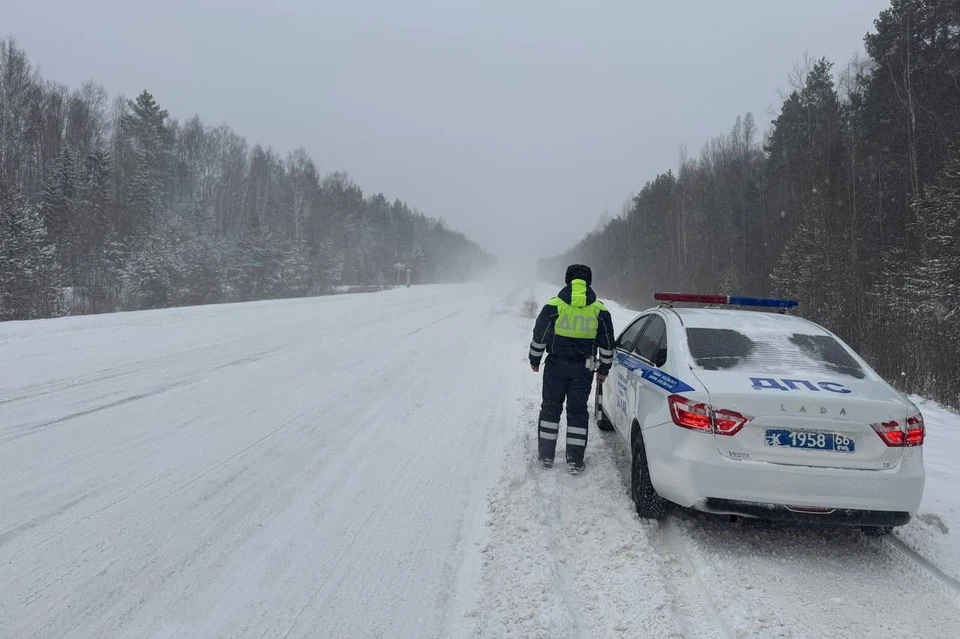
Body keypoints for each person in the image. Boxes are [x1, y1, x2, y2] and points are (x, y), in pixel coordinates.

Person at [529, 264, 615, 474]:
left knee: (550, 407)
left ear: (567, 281)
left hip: (555, 366)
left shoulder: (554, 305)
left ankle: (546, 456)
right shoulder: (600, 310)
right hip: (583, 369)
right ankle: (575, 461)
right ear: (589, 282)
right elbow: (607, 344)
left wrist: (534, 358)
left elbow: (540, 336)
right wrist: (604, 368)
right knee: (577, 412)